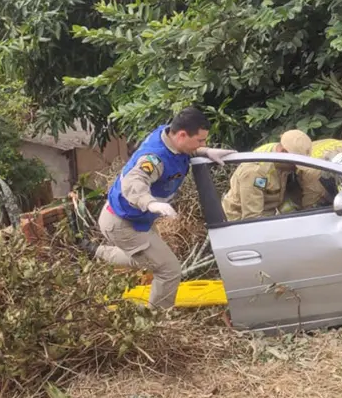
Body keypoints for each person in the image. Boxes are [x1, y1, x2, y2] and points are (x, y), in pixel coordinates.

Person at [87, 108, 234, 310]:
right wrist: (150, 203)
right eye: (200, 141)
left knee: (146, 259)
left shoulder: (171, 137)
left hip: (136, 219)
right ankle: (154, 320)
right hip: (123, 223)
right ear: (182, 135)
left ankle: (98, 252)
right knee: (169, 270)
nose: (203, 144)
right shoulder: (154, 158)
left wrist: (205, 152)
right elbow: (134, 181)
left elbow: (186, 150)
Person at [221, 130, 318, 221]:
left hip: (268, 215)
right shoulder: (256, 172)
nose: (296, 168)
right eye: (294, 164)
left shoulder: (278, 155)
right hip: (238, 221)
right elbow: (252, 218)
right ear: (283, 152)